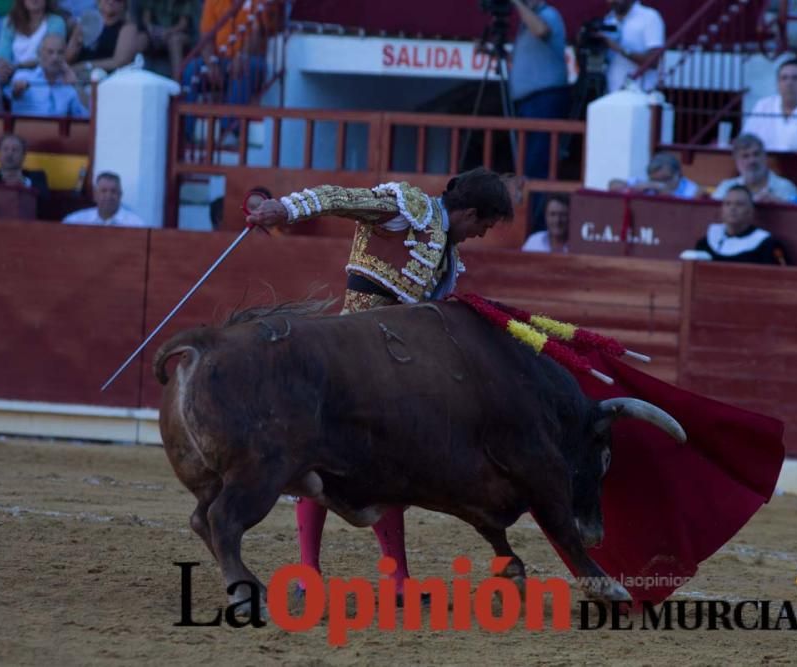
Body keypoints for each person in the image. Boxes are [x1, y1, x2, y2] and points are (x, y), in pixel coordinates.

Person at [245, 168, 517, 599]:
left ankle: (397, 581)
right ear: (467, 211)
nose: (482, 234)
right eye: (483, 224)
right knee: (318, 463)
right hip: (349, 360)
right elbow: (338, 198)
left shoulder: (446, 251)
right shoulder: (406, 209)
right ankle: (308, 575)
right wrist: (286, 209)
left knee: (392, 469)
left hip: (393, 373)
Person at [508, 0, 569, 181]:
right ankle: (531, 205)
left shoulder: (548, 14)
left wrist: (518, 3)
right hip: (529, 100)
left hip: (544, 97)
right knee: (527, 162)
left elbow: (541, 30)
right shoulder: (528, 19)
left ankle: (537, 208)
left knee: (537, 163)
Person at [742, 59, 797, 153]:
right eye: (784, 78)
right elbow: (746, 141)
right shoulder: (763, 105)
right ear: (777, 83)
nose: (789, 83)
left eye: (795, 78)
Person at [692, 185, 788, 265]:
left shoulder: (767, 245)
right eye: (728, 204)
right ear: (721, 210)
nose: (732, 208)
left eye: (739, 204)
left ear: (751, 211)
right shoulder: (706, 243)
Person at [8, 33, 89, 117]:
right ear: (40, 54)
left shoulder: (68, 87)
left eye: (60, 53)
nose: (55, 57)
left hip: (58, 129)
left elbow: (86, 116)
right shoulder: (23, 76)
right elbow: (13, 92)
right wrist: (18, 89)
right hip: (26, 128)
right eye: (50, 52)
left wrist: (76, 85)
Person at [600, 0, 665, 93]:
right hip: (612, 93)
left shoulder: (649, 17)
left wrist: (620, 49)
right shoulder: (609, 19)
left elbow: (653, 61)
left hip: (641, 94)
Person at [712, 134, 797, 202]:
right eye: (745, 156)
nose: (752, 161)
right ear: (736, 160)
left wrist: (779, 204)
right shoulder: (726, 188)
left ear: (765, 156)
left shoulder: (785, 187)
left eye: (756, 154)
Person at [0, 0, 66, 83]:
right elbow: (3, 54)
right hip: (11, 78)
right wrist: (3, 67)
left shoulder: (56, 22)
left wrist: (18, 67)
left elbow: (50, 57)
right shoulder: (9, 21)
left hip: (42, 79)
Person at [67, 0, 142, 73]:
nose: (111, 1)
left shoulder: (127, 28)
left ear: (124, 4)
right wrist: (76, 43)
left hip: (106, 77)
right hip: (75, 74)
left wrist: (86, 65)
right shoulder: (86, 22)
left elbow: (119, 62)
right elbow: (67, 58)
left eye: (118, 0)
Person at [0, 133, 50, 200]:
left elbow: (44, 202)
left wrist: (25, 184)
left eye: (15, 150)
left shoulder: (37, 177)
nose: (9, 154)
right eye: (5, 149)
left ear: (23, 155)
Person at [62, 171, 147, 226]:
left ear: (120, 195)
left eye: (113, 191)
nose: (108, 196)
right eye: (103, 191)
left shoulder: (135, 224)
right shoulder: (75, 221)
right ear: (95, 195)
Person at [608, 151, 701, 198]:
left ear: (678, 175)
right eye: (655, 180)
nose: (660, 183)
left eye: (665, 180)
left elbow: (688, 209)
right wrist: (632, 189)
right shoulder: (646, 182)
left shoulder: (692, 189)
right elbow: (613, 184)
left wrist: (664, 191)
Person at [141, 0, 195, 77]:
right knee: (141, 38)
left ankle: (177, 82)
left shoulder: (185, 2)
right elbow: (146, 18)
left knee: (175, 40)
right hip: (155, 33)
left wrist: (167, 32)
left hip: (178, 35)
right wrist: (151, 29)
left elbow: (183, 24)